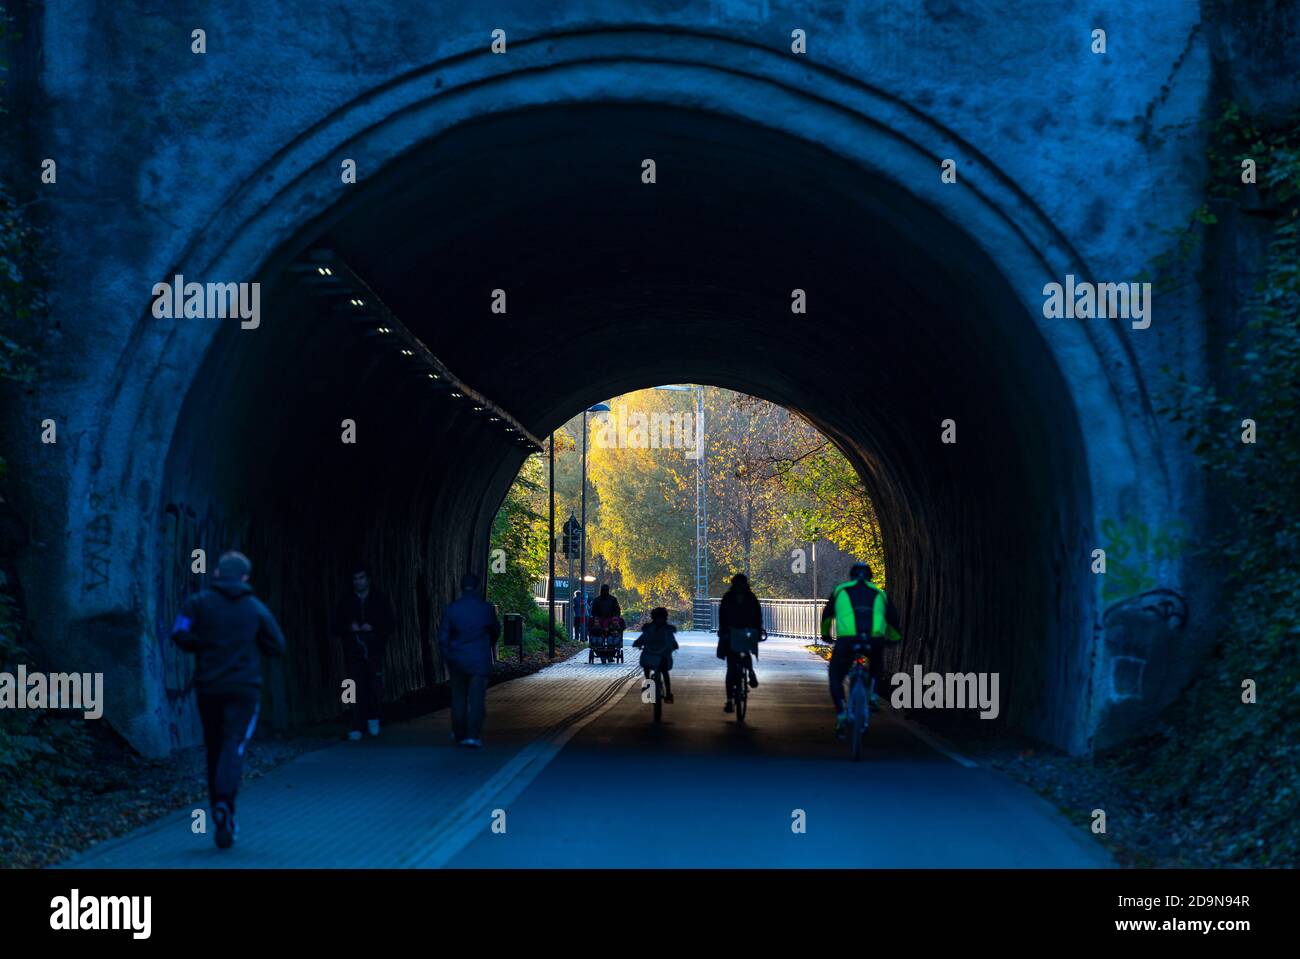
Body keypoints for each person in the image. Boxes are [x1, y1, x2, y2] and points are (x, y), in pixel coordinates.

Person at [171, 550, 285, 850]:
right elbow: (277, 644)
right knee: (234, 744)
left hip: (209, 688)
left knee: (214, 748)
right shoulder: (254, 608)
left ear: (218, 574)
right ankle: (225, 803)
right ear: (246, 578)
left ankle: (218, 812)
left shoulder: (197, 604)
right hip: (244, 689)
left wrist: (204, 645)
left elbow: (179, 632)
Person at [820, 561, 901, 738]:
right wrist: (894, 639)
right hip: (874, 639)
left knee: (835, 675)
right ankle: (872, 694)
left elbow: (827, 616)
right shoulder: (880, 593)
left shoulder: (840, 590)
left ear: (851, 576)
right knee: (876, 662)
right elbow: (893, 620)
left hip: (847, 640)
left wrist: (826, 635)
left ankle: (841, 714)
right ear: (871, 577)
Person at [330, 564, 396, 741]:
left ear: (368, 580)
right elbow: (335, 626)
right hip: (353, 652)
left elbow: (390, 623)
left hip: (374, 650)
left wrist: (373, 626)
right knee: (351, 687)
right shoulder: (346, 602)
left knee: (374, 685)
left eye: (361, 578)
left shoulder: (379, 600)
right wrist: (348, 627)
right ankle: (356, 724)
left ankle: (374, 717)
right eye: (355, 579)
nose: (358, 582)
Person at [437, 573, 501, 747]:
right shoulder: (486, 609)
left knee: (458, 699)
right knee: (477, 699)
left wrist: (448, 656)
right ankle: (472, 735)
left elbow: (443, 637)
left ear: (460, 587)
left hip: (457, 660)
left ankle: (458, 733)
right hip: (479, 661)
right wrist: (487, 647)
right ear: (478, 587)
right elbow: (495, 632)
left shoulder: (452, 609)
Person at [716, 573, 762, 713]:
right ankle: (730, 700)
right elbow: (722, 616)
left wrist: (757, 630)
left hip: (745, 631)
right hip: (732, 632)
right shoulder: (747, 598)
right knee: (731, 667)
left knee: (742, 655)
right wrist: (723, 631)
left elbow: (757, 616)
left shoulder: (739, 598)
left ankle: (750, 672)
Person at [632, 607, 678, 703]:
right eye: (658, 617)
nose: (659, 620)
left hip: (660, 655)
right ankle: (649, 683)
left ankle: (668, 692)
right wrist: (637, 642)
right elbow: (642, 638)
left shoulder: (666, 630)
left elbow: (672, 640)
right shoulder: (650, 629)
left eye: (661, 617)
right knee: (648, 667)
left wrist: (673, 645)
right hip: (651, 655)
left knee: (664, 671)